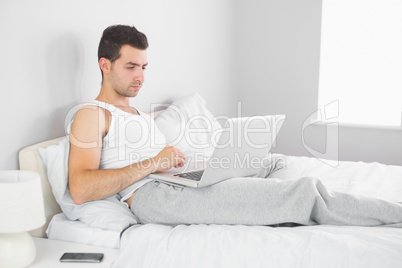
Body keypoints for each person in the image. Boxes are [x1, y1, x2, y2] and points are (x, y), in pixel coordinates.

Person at [68, 24, 402, 227]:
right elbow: (81, 189)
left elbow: (155, 160)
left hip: (173, 181)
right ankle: (393, 214)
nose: (140, 76)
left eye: (144, 66)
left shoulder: (140, 115)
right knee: (304, 190)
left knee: (273, 162)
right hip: (151, 198)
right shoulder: (92, 114)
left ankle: (269, 203)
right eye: (130, 66)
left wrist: (181, 162)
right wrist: (155, 162)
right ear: (105, 65)